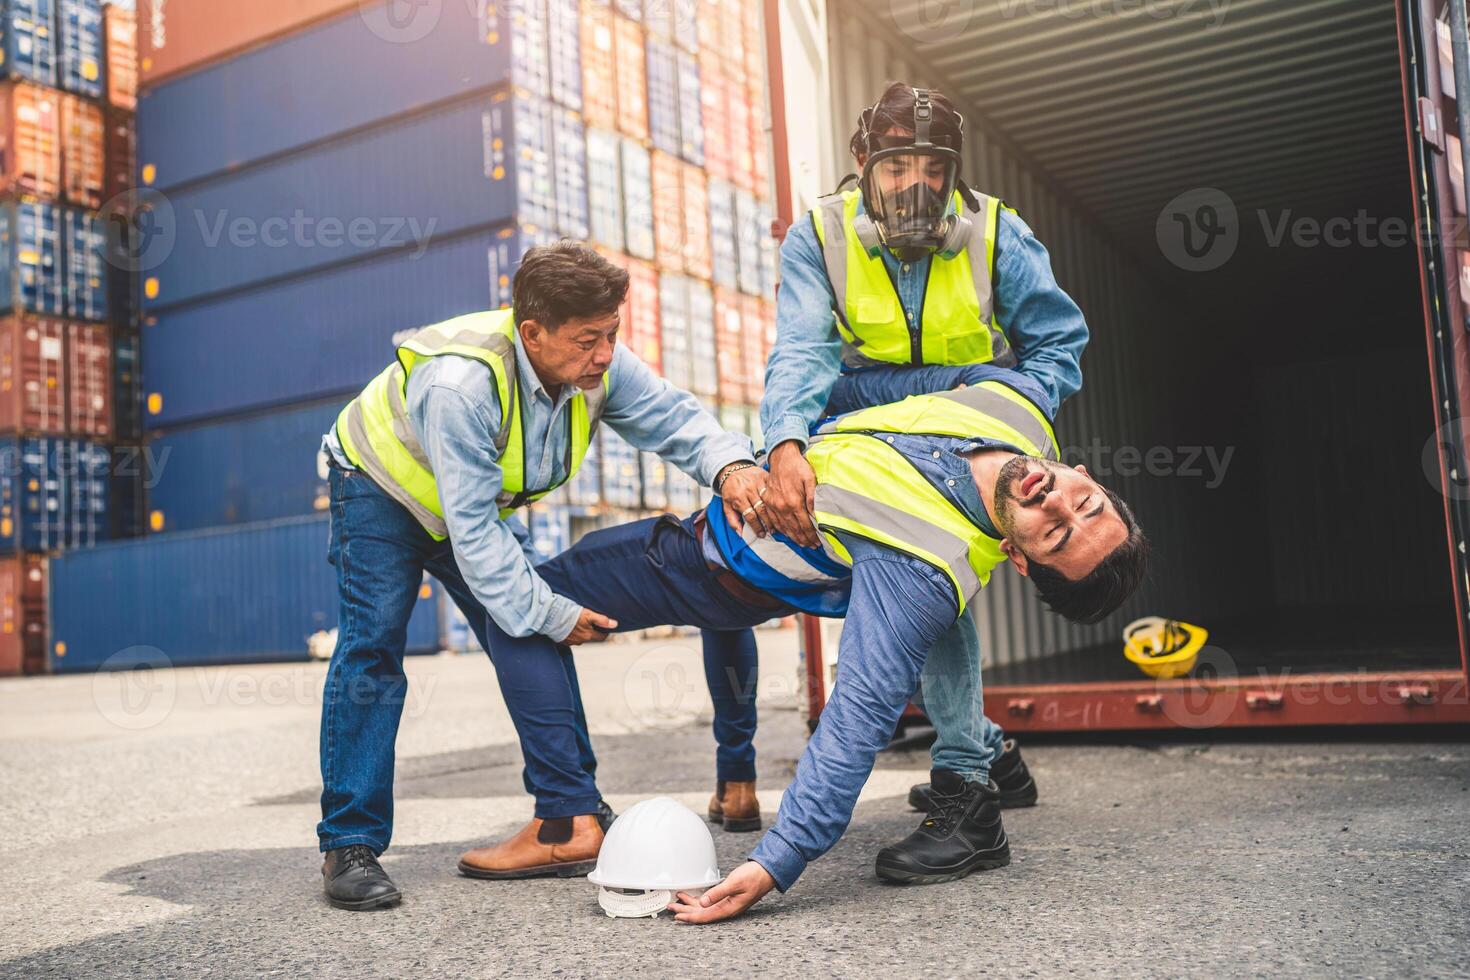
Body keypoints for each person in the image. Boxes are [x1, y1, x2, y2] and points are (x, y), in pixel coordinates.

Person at [451, 372, 1148, 923]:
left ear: (1018, 558)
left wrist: (775, 862)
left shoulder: (924, 572)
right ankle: (738, 782)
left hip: (711, 560)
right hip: (727, 548)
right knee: (719, 615)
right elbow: (862, 389)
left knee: (517, 605)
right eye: (1085, 503)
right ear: (1088, 473)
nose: (1057, 503)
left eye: (1055, 533)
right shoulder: (1014, 407)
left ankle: (566, 814)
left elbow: (857, 717)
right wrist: (786, 435)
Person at [313, 242, 770, 910]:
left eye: (612, 334)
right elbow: (472, 536)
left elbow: (674, 419)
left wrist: (731, 468)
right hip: (381, 485)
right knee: (375, 646)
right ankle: (348, 843)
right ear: (532, 333)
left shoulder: (593, 361)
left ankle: (571, 815)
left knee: (525, 618)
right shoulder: (461, 386)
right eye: (590, 340)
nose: (606, 354)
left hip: (470, 504)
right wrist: (553, 611)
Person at [752, 82, 1092, 851]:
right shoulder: (820, 237)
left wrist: (1003, 406)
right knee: (912, 584)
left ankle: (967, 778)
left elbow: (1058, 345)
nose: (918, 184)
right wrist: (784, 445)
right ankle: (988, 750)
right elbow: (802, 352)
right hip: (870, 421)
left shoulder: (997, 232)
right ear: (864, 161)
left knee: (928, 578)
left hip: (967, 425)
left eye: (934, 168)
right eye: (898, 164)